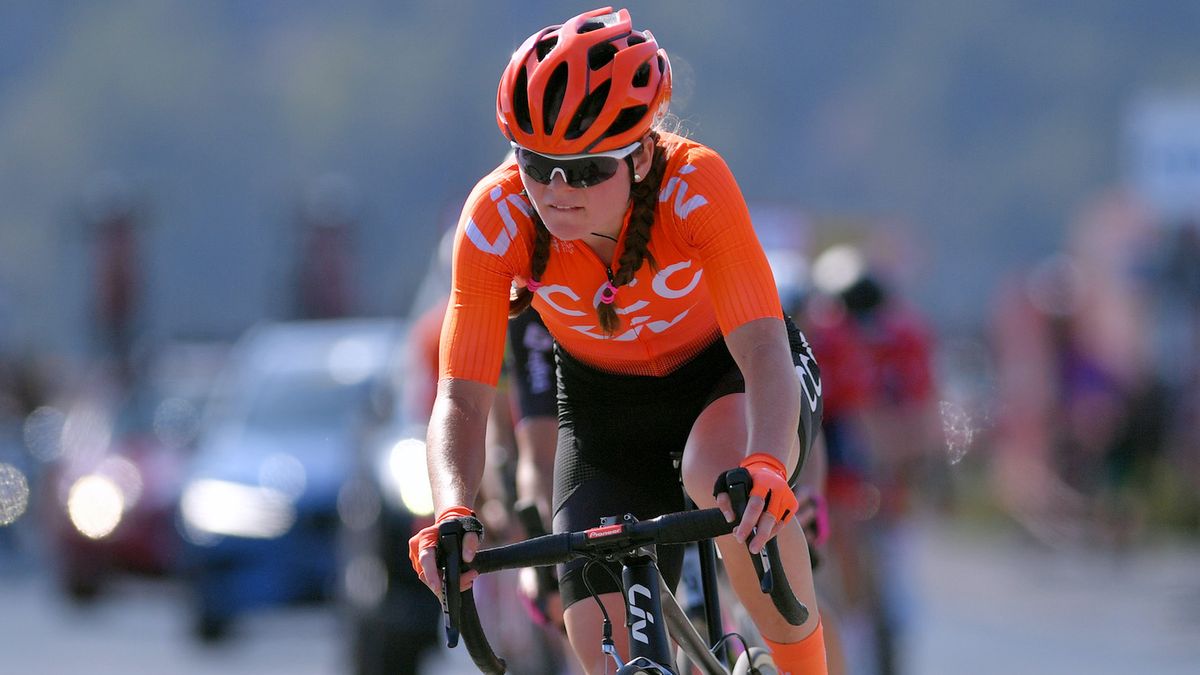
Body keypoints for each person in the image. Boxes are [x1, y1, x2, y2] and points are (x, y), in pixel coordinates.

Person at [408, 8, 826, 674]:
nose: (555, 189)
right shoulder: (495, 217)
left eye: (585, 171)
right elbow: (460, 398)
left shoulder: (696, 186)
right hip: (605, 411)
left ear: (639, 154)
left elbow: (765, 352)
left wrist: (769, 463)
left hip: (728, 377)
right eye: (536, 163)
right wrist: (453, 509)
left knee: (717, 470)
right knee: (603, 652)